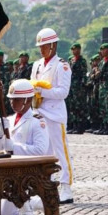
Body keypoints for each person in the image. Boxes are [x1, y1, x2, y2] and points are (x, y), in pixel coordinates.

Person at [0, 79, 50, 215]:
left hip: (27, 171)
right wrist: (0, 134)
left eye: (16, 100)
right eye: (11, 100)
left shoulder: (37, 121)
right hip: (9, 172)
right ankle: (42, 202)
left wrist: (14, 147)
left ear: (27, 100)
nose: (12, 103)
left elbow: (40, 150)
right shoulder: (10, 120)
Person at [30, 28, 75, 204]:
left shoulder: (61, 65)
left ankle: (66, 187)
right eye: (40, 46)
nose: (41, 49)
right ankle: (45, 186)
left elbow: (63, 92)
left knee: (60, 150)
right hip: (39, 113)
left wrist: (42, 91)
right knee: (44, 152)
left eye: (44, 45)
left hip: (55, 113)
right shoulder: (37, 65)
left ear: (53, 45)